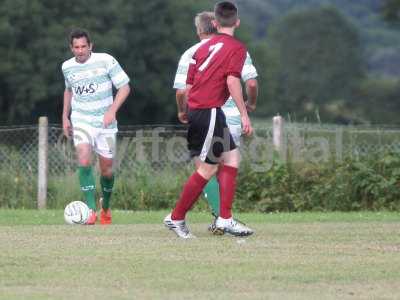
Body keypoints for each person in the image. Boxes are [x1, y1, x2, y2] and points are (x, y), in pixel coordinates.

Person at [164, 1, 254, 238]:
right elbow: (233, 81)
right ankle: (176, 217)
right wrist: (244, 114)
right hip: (210, 110)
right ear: (237, 22)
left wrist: (186, 110)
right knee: (208, 167)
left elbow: (188, 85)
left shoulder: (200, 48)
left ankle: (225, 218)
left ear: (215, 23)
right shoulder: (236, 47)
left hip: (204, 111)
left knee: (231, 157)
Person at [61, 29, 130, 225]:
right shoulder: (67, 67)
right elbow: (68, 90)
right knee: (83, 160)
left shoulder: (106, 60)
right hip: (82, 119)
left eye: (84, 46)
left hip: (106, 123)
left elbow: (125, 87)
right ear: (71, 48)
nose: (80, 50)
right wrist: (65, 117)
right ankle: (90, 211)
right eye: (76, 47)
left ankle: (105, 207)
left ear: (91, 46)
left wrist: (112, 111)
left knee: (107, 170)